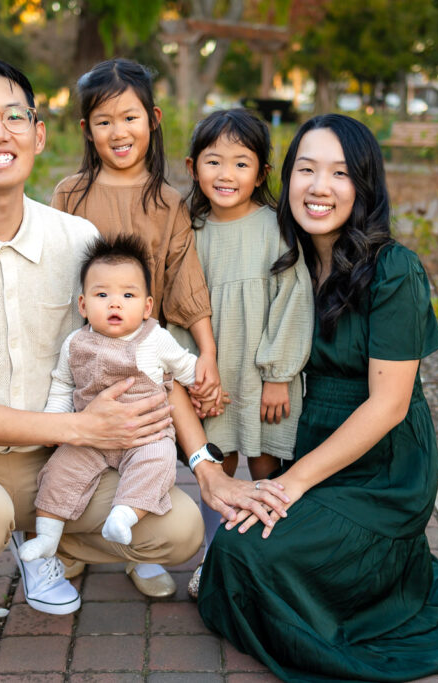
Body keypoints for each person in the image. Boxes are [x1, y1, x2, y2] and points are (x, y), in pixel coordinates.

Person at [0, 56, 241, 682]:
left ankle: (40, 542)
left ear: (39, 135)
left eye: (14, 116)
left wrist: (202, 462)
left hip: (43, 459)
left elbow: (141, 349)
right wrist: (84, 429)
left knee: (177, 531)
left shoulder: (75, 239)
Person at [196, 114, 438, 682]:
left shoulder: (393, 270)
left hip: (381, 470)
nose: (319, 187)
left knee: (250, 555)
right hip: (306, 446)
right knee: (235, 549)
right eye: (307, 169)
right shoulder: (280, 253)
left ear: (365, 186)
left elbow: (390, 405)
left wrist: (290, 483)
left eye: (340, 174)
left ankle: (389, 575)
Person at [50, 57, 221, 596]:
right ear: (86, 130)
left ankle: (137, 547)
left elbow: (186, 288)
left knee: (146, 452)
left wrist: (207, 357)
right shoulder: (69, 194)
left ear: (153, 118)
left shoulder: (167, 203)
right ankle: (67, 545)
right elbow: (55, 278)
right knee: (73, 457)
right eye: (103, 121)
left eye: (129, 118)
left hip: (142, 361)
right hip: (83, 355)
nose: (118, 132)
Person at [175, 109, 313, 599]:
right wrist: (191, 376)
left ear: (261, 173)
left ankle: (268, 554)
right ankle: (217, 556)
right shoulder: (188, 230)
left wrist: (278, 374)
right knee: (218, 464)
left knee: (267, 465)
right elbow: (179, 306)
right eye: (214, 162)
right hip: (213, 375)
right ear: (193, 168)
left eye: (240, 163)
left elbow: (293, 301)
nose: (226, 175)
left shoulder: (276, 227)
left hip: (263, 374)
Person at [19, 234, 200, 561]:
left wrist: (204, 384)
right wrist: (56, 423)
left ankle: (124, 516)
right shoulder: (75, 343)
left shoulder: (155, 339)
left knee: (159, 463)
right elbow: (62, 383)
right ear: (83, 305)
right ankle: (47, 536)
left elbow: (185, 365)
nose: (115, 303)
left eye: (128, 295)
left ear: (147, 307)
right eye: (102, 294)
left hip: (146, 436)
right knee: (60, 472)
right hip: (89, 436)